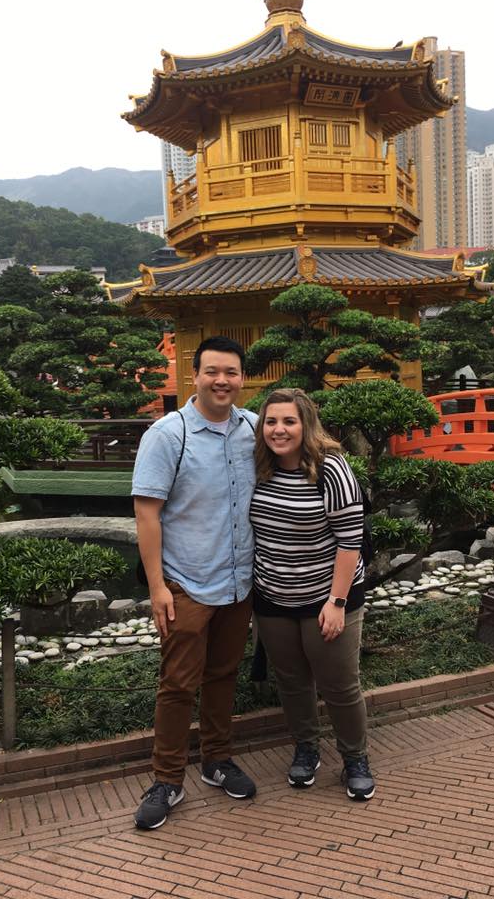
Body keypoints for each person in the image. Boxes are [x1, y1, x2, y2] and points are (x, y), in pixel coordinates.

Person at [131, 336, 257, 830]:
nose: (221, 381)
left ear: (242, 378)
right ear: (195, 375)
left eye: (231, 372)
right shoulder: (168, 434)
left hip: (239, 581)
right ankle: (166, 779)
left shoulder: (253, 429)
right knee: (178, 684)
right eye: (212, 372)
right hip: (186, 581)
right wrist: (157, 587)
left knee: (223, 674)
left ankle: (216, 759)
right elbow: (147, 514)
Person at [249, 388, 375, 801]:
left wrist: (337, 602)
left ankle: (355, 757)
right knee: (291, 681)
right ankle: (306, 747)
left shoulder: (330, 468)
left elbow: (350, 540)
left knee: (339, 684)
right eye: (271, 421)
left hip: (328, 595)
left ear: (306, 424)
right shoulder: (258, 466)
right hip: (273, 596)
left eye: (289, 421)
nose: (279, 430)